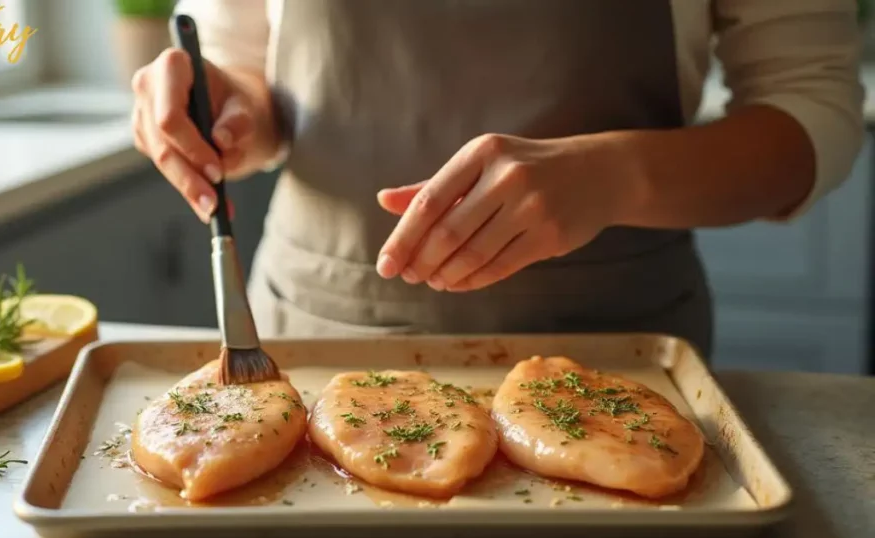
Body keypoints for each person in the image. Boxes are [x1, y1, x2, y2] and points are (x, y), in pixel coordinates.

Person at [130, 0, 865, 358]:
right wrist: (228, 111)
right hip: (316, 333)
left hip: (614, 352)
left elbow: (812, 107)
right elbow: (250, 67)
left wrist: (618, 175)